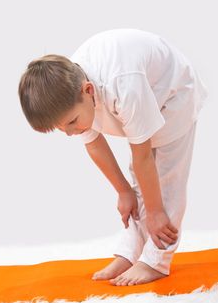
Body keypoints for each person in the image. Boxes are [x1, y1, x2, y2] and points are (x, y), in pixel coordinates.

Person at [18, 28, 208, 286]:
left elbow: (142, 157)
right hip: (139, 94)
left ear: (87, 90)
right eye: (62, 128)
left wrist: (154, 211)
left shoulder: (123, 83)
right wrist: (123, 191)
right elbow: (94, 145)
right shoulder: (69, 88)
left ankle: (156, 260)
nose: (70, 133)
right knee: (139, 184)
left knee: (166, 182)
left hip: (173, 96)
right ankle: (132, 252)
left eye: (72, 122)